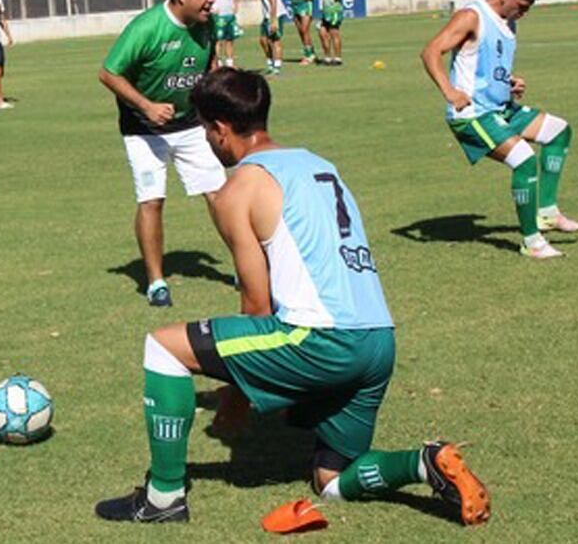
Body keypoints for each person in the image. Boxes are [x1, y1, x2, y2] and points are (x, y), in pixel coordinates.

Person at [94, 68, 490, 526]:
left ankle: (163, 498)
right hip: (378, 340)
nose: (204, 139)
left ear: (220, 129)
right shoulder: (320, 164)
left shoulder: (238, 189)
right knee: (331, 481)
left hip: (322, 339)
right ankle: (423, 463)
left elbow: (256, 307)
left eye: (204, 128)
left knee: (164, 348)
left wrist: (236, 399)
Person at [420, 0, 578, 259]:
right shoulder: (471, 16)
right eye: (521, 6)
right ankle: (532, 242)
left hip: (500, 109)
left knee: (559, 132)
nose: (524, 13)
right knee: (524, 160)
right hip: (472, 115)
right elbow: (430, 51)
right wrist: (450, 92)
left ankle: (546, 212)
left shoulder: (509, 22)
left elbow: (486, 67)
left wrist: (509, 82)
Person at [98, 0, 227, 308]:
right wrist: (147, 106)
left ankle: (246, 267)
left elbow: (209, 64)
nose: (212, 1)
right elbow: (108, 74)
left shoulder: (207, 24)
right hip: (144, 129)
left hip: (191, 125)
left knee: (219, 194)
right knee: (152, 199)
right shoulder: (146, 28)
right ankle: (156, 283)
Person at [251, 0, 289, 75]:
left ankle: (276, 68)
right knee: (263, 40)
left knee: (275, 41)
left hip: (275, 15)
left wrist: (274, 19)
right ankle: (270, 63)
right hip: (267, 16)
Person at [211, 0, 239, 68]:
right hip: (219, 15)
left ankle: (230, 63)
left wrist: (236, 5)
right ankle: (218, 62)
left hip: (230, 14)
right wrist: (212, 8)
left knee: (230, 39)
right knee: (218, 40)